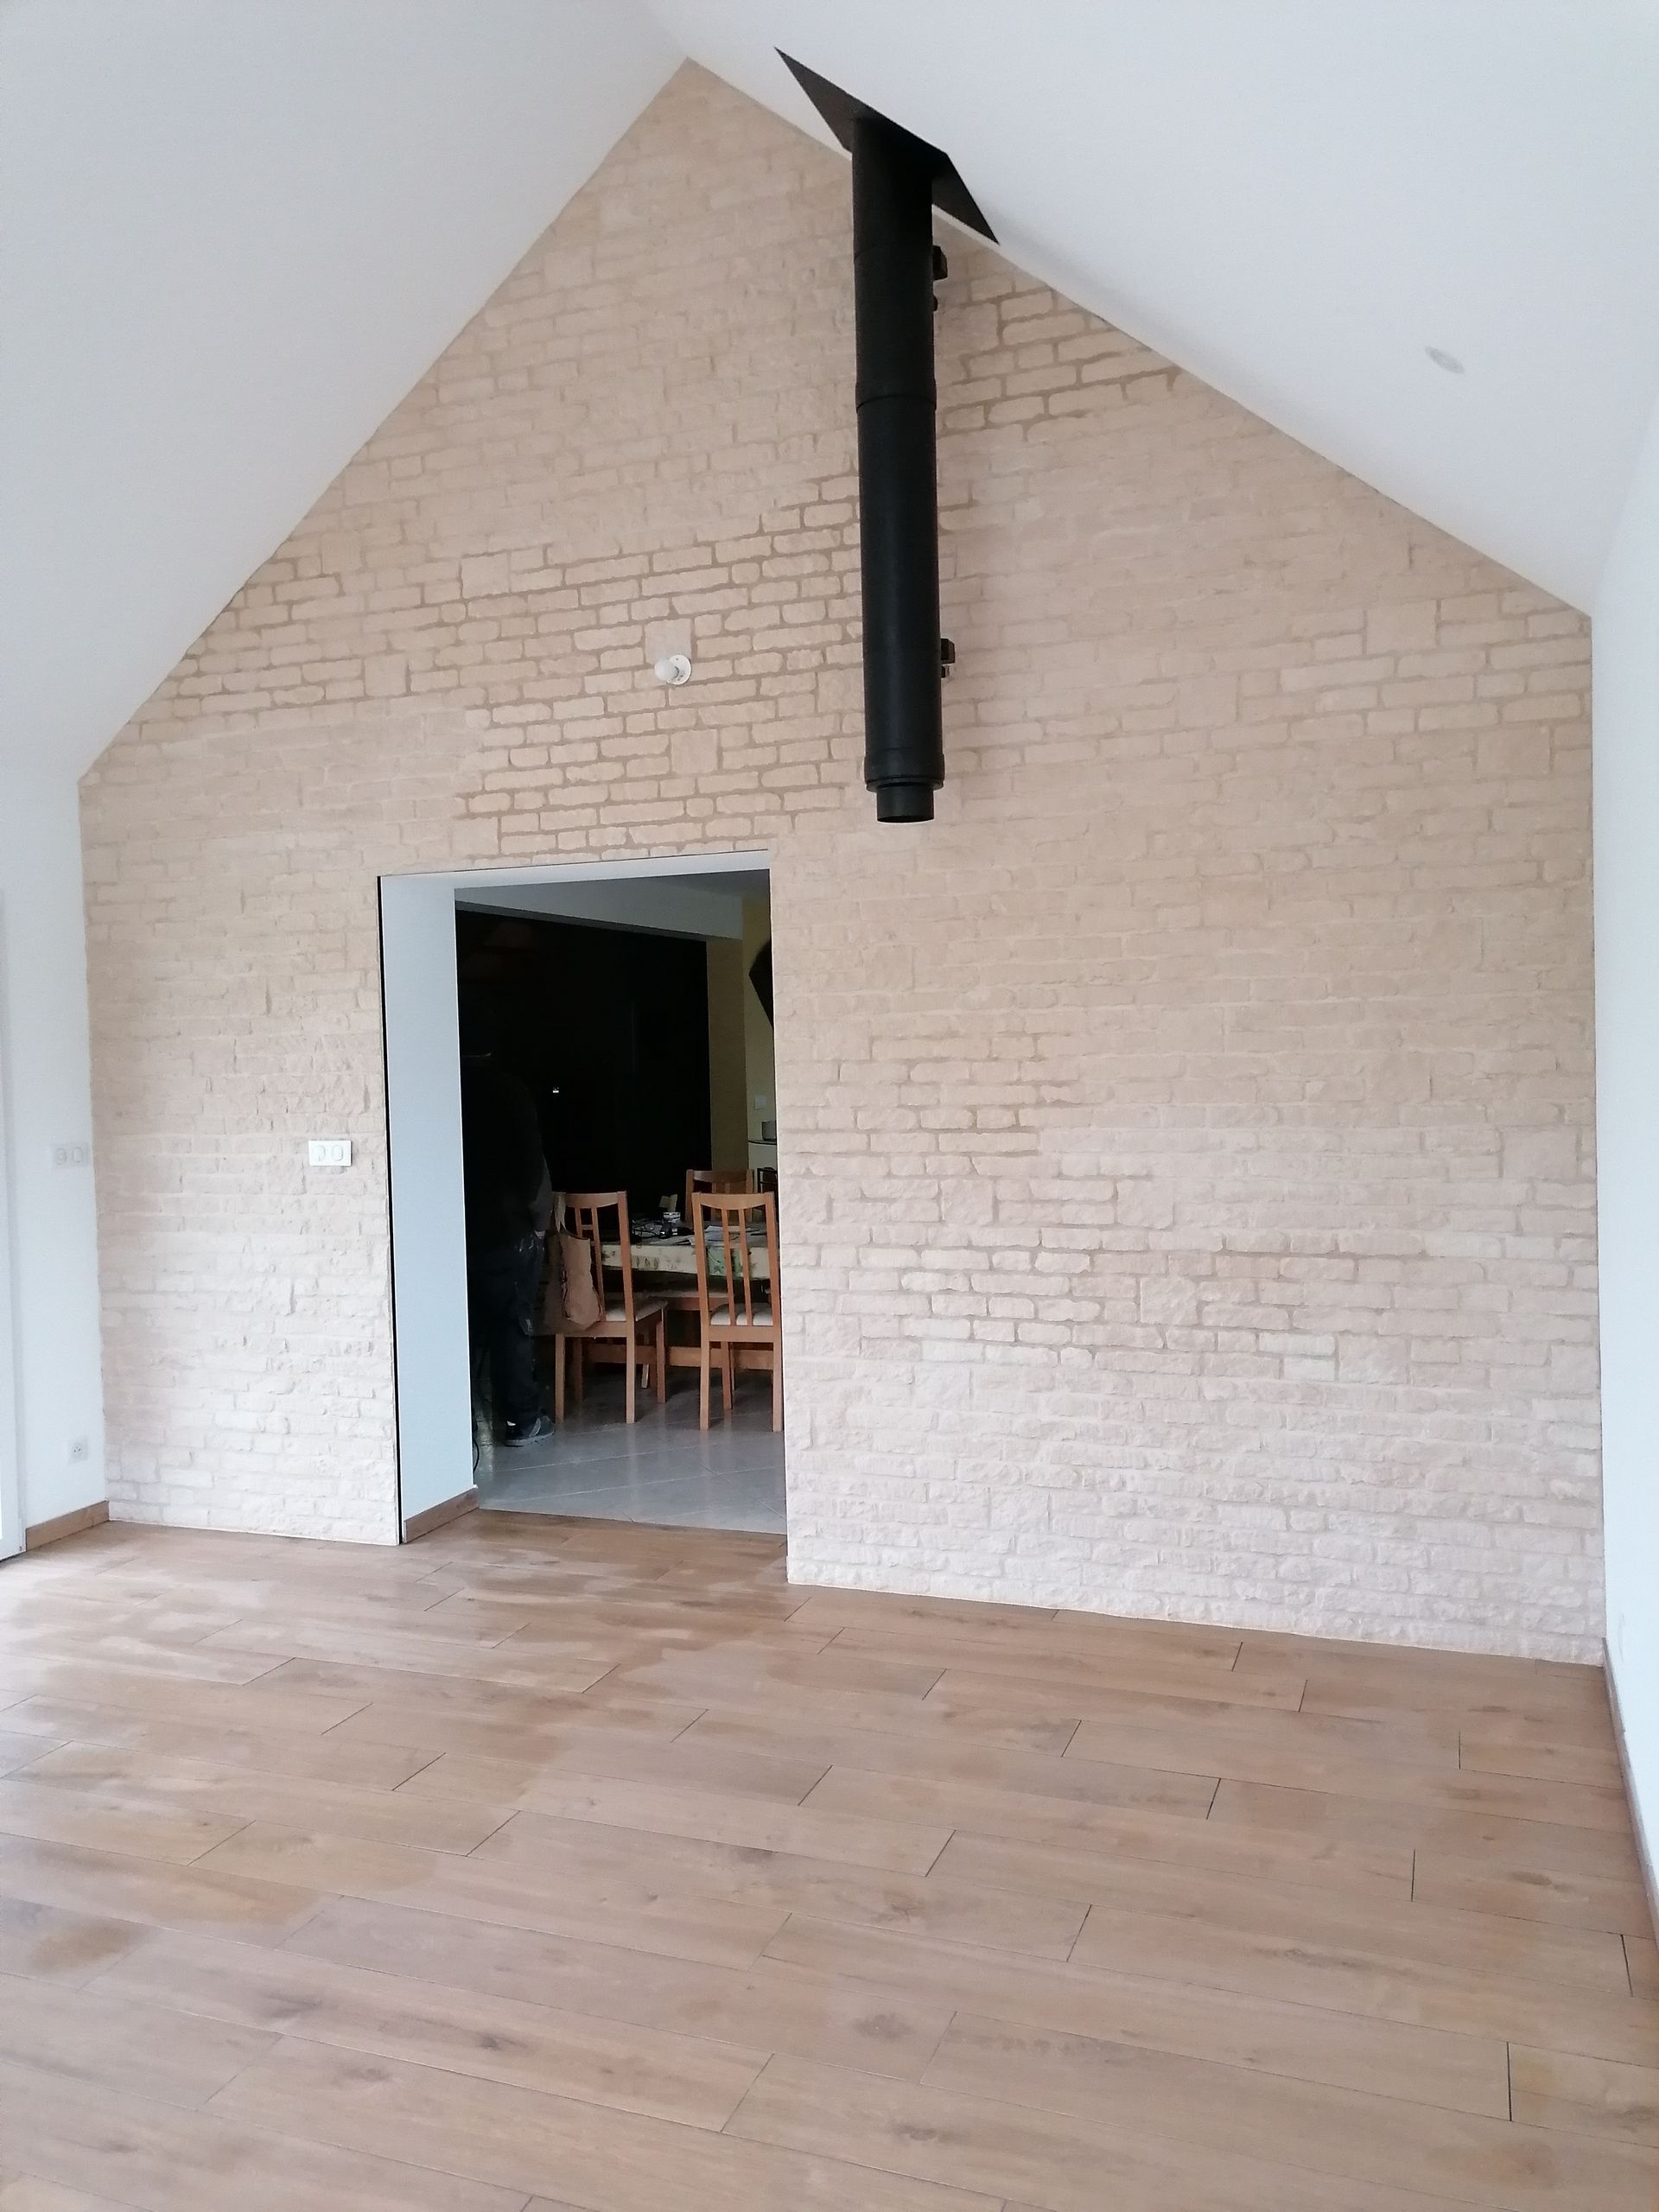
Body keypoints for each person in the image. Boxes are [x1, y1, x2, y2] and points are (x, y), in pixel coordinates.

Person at [460, 1011, 554, 1446]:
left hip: (456, 1231)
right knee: (512, 1326)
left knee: (466, 1329)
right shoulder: (510, 1091)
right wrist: (538, 1225)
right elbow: (531, 1165)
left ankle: (458, 1427)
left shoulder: (444, 1086)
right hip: (507, 1228)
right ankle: (520, 1420)